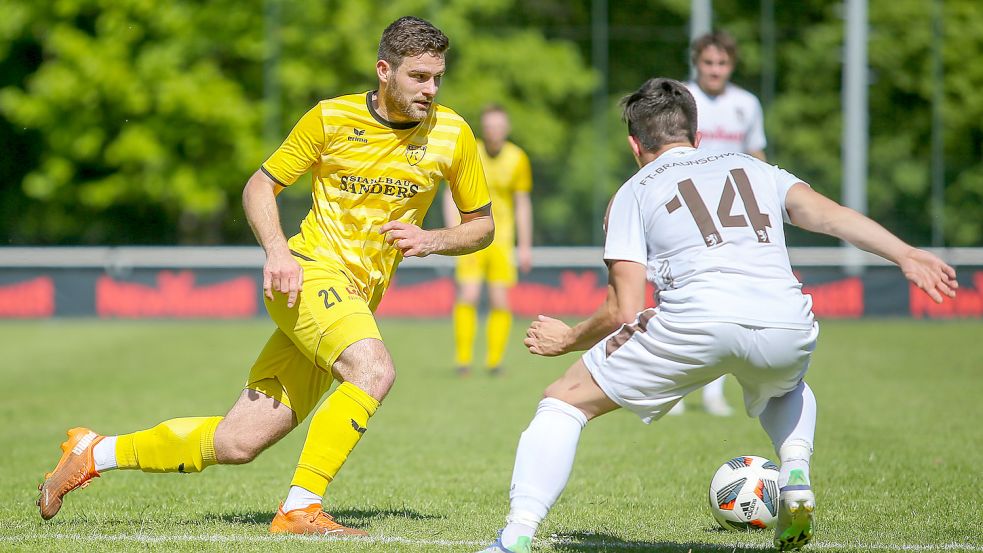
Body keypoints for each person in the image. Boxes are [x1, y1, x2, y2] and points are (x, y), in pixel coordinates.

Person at [37, 16, 494, 536]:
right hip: (308, 276)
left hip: (355, 300)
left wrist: (433, 238)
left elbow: (482, 227)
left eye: (437, 77)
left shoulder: (453, 134)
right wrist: (277, 252)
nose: (430, 90)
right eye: (418, 77)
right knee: (374, 371)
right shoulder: (329, 118)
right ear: (384, 70)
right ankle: (300, 510)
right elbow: (259, 185)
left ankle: (94, 451)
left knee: (238, 442)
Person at [478, 78, 956, 553]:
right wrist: (905, 253)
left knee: (564, 402)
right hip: (786, 320)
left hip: (696, 320)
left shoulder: (633, 191)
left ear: (633, 144)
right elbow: (830, 215)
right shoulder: (756, 168)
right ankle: (795, 470)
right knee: (784, 385)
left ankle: (516, 537)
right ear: (697, 135)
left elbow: (622, 309)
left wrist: (569, 338)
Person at [681, 30, 768, 416]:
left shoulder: (747, 104)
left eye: (722, 63)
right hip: (683, 212)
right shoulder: (681, 99)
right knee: (679, 298)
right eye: (708, 62)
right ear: (696, 63)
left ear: (731, 66)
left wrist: (766, 201)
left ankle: (713, 392)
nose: (715, 70)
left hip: (731, 217)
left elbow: (756, 155)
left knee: (724, 303)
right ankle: (676, 391)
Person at [442, 104, 533, 376]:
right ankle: (463, 361)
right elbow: (450, 194)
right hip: (470, 234)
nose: (494, 131)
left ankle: (494, 362)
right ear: (484, 128)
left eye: (499, 126)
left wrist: (525, 245)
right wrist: (452, 233)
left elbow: (522, 203)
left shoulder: (518, 158)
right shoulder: (472, 152)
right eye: (490, 126)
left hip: (502, 241)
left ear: (506, 128)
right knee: (468, 295)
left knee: (499, 301)